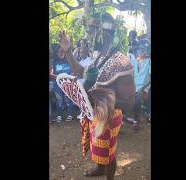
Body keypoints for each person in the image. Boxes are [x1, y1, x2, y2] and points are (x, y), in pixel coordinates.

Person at [58, 12, 135, 180]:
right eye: (89, 28)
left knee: (109, 153)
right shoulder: (100, 56)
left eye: (93, 28)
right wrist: (68, 51)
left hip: (109, 115)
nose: (88, 33)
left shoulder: (121, 62)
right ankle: (100, 168)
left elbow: (129, 103)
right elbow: (80, 71)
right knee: (98, 144)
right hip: (95, 112)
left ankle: (109, 176)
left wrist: (99, 97)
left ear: (106, 32)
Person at [129, 39, 151, 133]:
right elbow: (131, 75)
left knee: (137, 97)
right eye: (139, 49)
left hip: (145, 87)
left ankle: (136, 121)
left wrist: (145, 89)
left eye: (143, 49)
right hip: (134, 86)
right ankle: (119, 118)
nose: (141, 51)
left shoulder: (149, 61)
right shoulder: (134, 61)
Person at [50, 43, 74, 122]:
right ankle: (59, 115)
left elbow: (73, 72)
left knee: (68, 99)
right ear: (56, 53)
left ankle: (70, 115)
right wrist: (59, 77)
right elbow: (51, 73)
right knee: (59, 100)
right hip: (58, 83)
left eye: (62, 52)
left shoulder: (69, 61)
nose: (61, 53)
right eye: (59, 52)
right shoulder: (54, 62)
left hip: (68, 83)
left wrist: (69, 77)